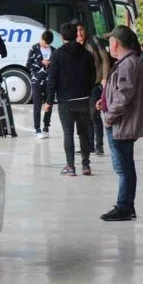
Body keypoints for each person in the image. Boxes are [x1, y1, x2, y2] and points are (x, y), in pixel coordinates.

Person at [97, 25, 143, 221]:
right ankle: (127, 205)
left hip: (121, 124)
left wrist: (109, 117)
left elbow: (123, 96)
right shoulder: (127, 62)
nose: (108, 45)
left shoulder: (127, 64)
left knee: (123, 169)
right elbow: (119, 92)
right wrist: (104, 100)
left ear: (115, 43)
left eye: (109, 41)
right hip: (122, 122)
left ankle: (124, 207)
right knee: (125, 166)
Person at [45, 22, 95, 176]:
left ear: (61, 37)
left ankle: (71, 167)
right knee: (83, 133)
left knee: (68, 133)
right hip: (83, 99)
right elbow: (92, 76)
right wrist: (86, 90)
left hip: (65, 101)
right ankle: (86, 165)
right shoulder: (87, 54)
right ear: (76, 35)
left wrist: (48, 101)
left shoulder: (58, 54)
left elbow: (52, 79)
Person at [78, 23, 111, 156]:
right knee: (84, 117)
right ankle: (88, 146)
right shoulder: (74, 45)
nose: (79, 33)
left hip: (95, 84)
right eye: (76, 31)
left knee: (94, 115)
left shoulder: (93, 41)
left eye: (81, 29)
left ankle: (99, 146)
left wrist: (104, 77)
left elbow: (105, 59)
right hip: (81, 86)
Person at [26, 30, 55, 139]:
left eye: (47, 43)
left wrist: (50, 63)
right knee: (37, 105)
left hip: (49, 82)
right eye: (43, 41)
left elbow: (56, 66)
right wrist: (41, 63)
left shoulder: (53, 51)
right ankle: (37, 129)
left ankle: (46, 127)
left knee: (49, 104)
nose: (44, 44)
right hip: (37, 81)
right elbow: (28, 64)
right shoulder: (34, 48)